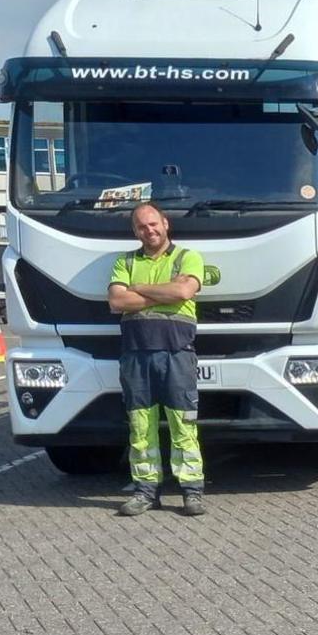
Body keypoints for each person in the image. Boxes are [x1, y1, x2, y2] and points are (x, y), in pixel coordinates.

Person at [107, 202, 207, 516]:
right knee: (140, 428)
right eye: (141, 226)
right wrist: (163, 290)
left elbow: (183, 293)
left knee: (184, 424)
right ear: (134, 231)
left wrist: (139, 289)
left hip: (177, 354)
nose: (149, 230)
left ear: (165, 224)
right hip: (136, 357)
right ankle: (145, 492)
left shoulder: (187, 257)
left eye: (153, 224)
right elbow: (116, 301)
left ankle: (192, 491)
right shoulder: (124, 261)